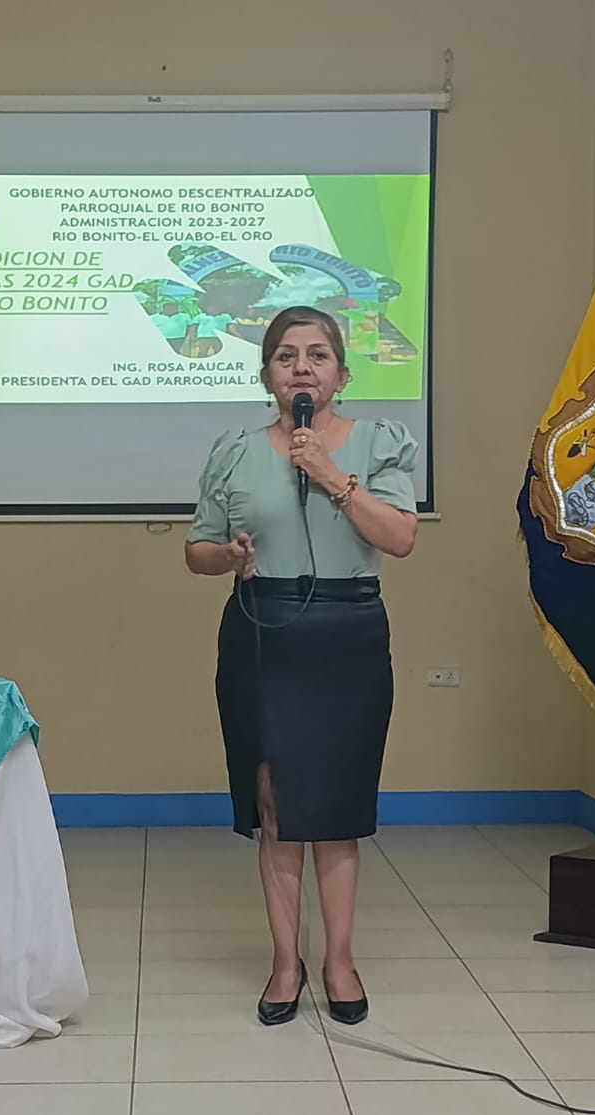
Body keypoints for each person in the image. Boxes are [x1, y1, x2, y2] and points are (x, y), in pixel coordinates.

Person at [185, 305, 418, 1026]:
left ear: (341, 375)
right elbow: (197, 550)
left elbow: (400, 537)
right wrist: (228, 556)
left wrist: (329, 475)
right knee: (276, 805)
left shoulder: (378, 442)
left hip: (347, 633)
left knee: (337, 805)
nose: (302, 368)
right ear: (267, 377)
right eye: (286, 356)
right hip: (262, 631)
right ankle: (285, 964)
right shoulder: (234, 451)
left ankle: (339, 962)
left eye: (318, 355)